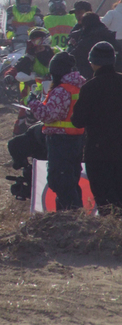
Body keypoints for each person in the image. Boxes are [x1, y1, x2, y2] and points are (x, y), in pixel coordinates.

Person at [26, 52, 85, 210]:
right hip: (76, 139)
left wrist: (32, 103)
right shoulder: (78, 86)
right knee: (71, 180)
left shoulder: (61, 90)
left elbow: (48, 115)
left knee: (59, 180)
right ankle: (73, 213)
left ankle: (70, 213)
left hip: (60, 141)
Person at [71, 42, 122, 213]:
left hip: (99, 152)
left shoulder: (90, 87)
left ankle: (112, 227)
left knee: (105, 200)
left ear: (93, 62)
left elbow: (78, 121)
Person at [4, 27, 55, 135]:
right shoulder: (30, 56)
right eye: (33, 40)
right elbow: (17, 66)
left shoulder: (56, 53)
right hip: (36, 91)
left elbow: (70, 62)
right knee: (22, 119)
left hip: (57, 89)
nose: (35, 44)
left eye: (37, 40)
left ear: (45, 40)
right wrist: (10, 75)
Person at [69, 12, 120, 79]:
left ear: (85, 25)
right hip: (114, 77)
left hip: (91, 77)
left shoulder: (88, 39)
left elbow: (72, 57)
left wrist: (72, 46)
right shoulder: (110, 36)